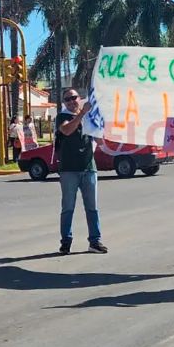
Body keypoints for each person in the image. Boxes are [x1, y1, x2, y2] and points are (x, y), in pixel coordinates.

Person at [55, 88, 108, 255]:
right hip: (69, 169)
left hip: (88, 167)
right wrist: (81, 114)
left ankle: (95, 241)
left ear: (80, 98)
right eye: (67, 99)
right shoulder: (62, 117)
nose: (71, 101)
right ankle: (66, 241)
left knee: (92, 207)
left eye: (73, 97)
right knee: (68, 207)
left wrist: (99, 123)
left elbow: (100, 140)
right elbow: (67, 130)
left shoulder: (90, 117)